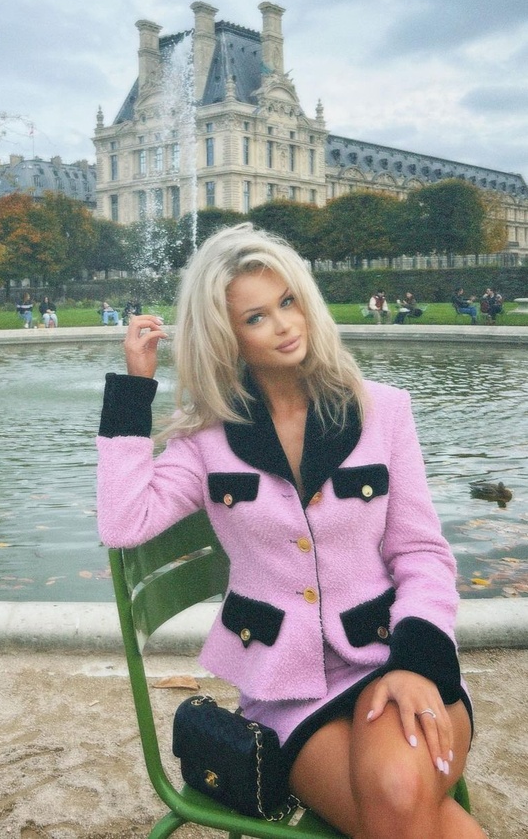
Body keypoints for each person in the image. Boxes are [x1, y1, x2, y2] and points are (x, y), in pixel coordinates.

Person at [96, 224, 484, 839]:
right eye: (256, 317)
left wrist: (417, 663)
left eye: (288, 301)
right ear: (226, 337)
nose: (284, 325)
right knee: (402, 806)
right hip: (288, 694)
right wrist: (133, 390)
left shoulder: (383, 409)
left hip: (394, 654)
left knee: (397, 791)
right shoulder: (205, 438)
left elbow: (421, 553)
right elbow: (123, 522)